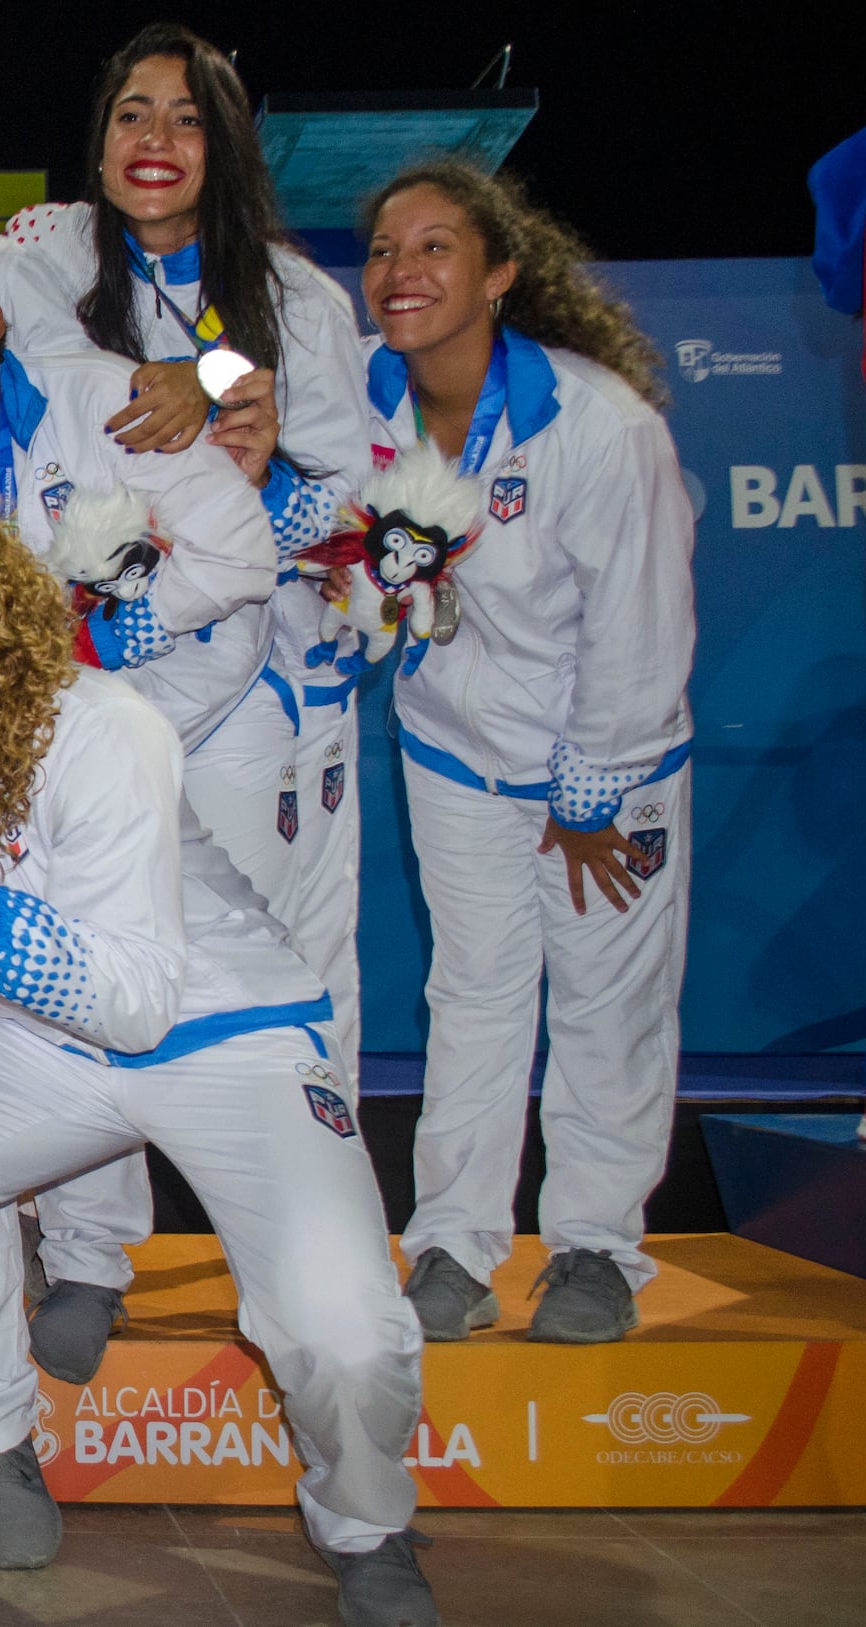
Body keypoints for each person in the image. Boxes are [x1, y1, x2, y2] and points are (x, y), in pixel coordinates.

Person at [0, 464, 434, 1627]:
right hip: (38, 1047)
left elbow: (135, 1000)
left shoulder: (97, 720)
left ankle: (367, 1522)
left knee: (343, 1329)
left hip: (220, 1034)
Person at [0, 23, 379, 1375]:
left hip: (254, 688)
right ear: (95, 140)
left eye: (187, 118)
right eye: (130, 112)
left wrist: (260, 462)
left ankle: (302, 1267)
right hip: (92, 686)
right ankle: (91, 1252)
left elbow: (352, 491)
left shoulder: (294, 297)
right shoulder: (40, 257)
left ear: (226, 141)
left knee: (271, 975)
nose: (155, 139)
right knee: (91, 955)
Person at [0, 231, 281, 1375]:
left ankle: (95, 1261)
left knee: (128, 962)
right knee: (37, 976)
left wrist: (215, 376)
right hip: (1, 749)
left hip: (163, 711)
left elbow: (242, 550)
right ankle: (59, 1243)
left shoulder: (99, 397)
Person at [356, 161, 694, 1347]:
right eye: (386, 250)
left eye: (434, 248)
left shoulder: (597, 425)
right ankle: (451, 1241)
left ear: (500, 273)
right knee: (475, 997)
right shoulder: (368, 407)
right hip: (456, 756)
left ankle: (596, 1247)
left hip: (609, 766)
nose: (400, 272)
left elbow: (641, 630)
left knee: (607, 1003)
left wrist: (593, 793)